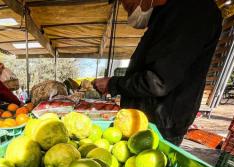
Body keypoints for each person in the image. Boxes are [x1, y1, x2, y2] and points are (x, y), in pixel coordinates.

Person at [93, 0, 222, 145]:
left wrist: (113, 83)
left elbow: (158, 81)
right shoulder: (166, 14)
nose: (126, 10)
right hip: (149, 120)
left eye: (128, 5)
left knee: (144, 164)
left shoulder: (191, 11)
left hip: (160, 124)